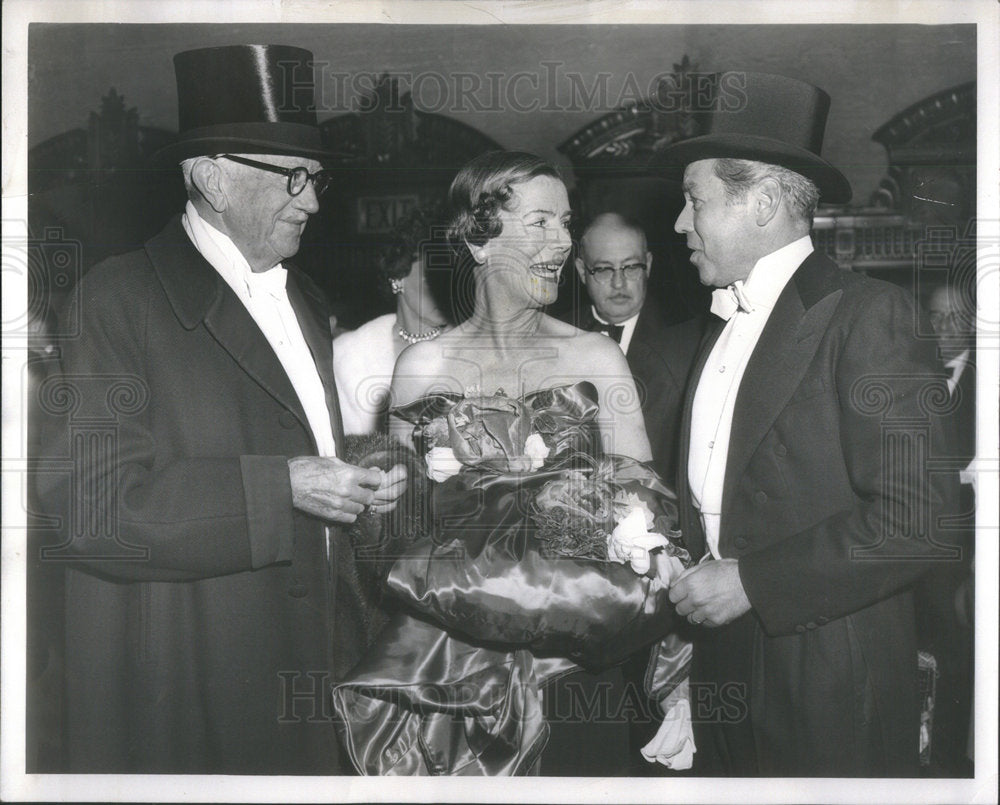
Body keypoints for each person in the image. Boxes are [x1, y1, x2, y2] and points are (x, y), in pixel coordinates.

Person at [37, 44, 406, 774]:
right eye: (294, 177)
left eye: (318, 177)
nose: (314, 200)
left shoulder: (304, 298)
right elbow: (93, 509)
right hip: (193, 686)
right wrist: (285, 485)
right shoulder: (116, 299)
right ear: (210, 178)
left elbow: (289, 439)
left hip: (314, 675)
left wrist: (363, 475)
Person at [330, 151, 690, 776]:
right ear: (477, 239)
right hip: (448, 676)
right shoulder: (422, 367)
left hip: (577, 670)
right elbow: (394, 535)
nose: (562, 242)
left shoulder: (597, 361)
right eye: (541, 223)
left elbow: (652, 516)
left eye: (565, 223)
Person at [649, 71, 957, 776]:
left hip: (830, 687)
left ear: (761, 202)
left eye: (694, 201)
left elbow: (918, 522)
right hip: (722, 674)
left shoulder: (870, 315)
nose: (678, 223)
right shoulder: (714, 326)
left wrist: (751, 581)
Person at [571, 211, 702, 481]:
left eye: (631, 267)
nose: (619, 283)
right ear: (583, 271)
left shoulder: (690, 342)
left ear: (649, 265)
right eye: (604, 269)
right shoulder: (555, 335)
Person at [915, 282, 976, 775]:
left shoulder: (987, 380)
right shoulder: (913, 375)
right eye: (935, 318)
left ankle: (951, 772)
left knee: (957, 668)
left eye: (955, 318)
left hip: (965, 557)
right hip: (914, 548)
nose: (944, 328)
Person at [334, 202, 453, 435]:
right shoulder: (350, 356)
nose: (444, 288)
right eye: (433, 275)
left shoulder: (470, 344)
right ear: (399, 275)